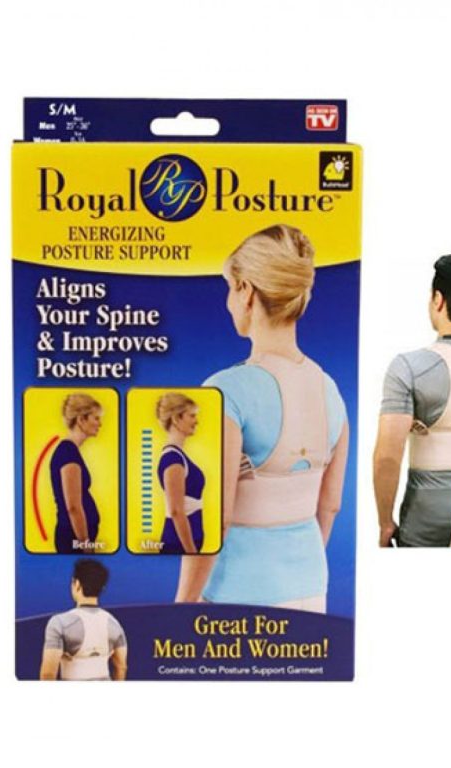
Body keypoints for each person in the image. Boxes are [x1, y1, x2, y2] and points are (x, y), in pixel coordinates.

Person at [175, 224, 349, 613]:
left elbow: (215, 519)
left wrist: (182, 605)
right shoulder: (330, 390)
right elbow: (330, 504)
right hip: (311, 590)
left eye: (229, 288)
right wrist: (295, 574)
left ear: (246, 291)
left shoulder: (225, 391)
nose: (228, 303)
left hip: (236, 595)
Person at [373, 255, 451, 547]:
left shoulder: (409, 368)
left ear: (438, 300)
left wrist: (385, 522)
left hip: (424, 522)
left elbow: (387, 457)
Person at [40, 559, 127, 680]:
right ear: (102, 588)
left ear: (77, 584)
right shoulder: (114, 624)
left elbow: (48, 674)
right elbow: (121, 667)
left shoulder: (60, 623)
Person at [49, 393, 102, 554]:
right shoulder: (68, 453)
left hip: (75, 538)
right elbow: (73, 507)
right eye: (96, 418)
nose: (100, 424)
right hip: (73, 539)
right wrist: (85, 545)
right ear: (81, 420)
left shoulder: (70, 451)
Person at [156, 393, 205, 554]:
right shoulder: (173, 459)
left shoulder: (179, 456)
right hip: (178, 544)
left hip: (187, 543)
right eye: (192, 415)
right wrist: (191, 552)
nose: (196, 421)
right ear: (176, 419)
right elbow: (176, 511)